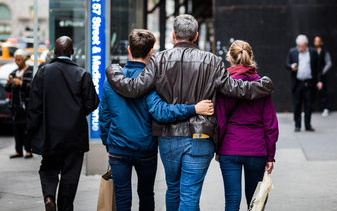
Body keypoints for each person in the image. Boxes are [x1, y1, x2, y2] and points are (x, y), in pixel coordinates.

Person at [106, 15, 274, 210]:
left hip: (168, 137)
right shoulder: (212, 61)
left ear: (173, 35)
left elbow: (134, 88)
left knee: (173, 189)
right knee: (190, 195)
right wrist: (265, 84)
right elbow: (236, 89)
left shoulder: (158, 59)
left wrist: (113, 71)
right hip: (200, 137)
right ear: (195, 36)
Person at [99, 29, 215, 211]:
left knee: (121, 198)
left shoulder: (111, 81)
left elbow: (104, 117)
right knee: (146, 195)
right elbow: (162, 112)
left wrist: (107, 144)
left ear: (129, 49)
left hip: (117, 148)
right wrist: (194, 108)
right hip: (145, 149)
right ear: (151, 52)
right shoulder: (151, 82)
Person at [27, 36, 100, 211]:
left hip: (49, 133)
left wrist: (31, 131)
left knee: (48, 167)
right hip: (74, 135)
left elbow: (34, 106)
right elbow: (92, 103)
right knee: (71, 174)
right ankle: (65, 208)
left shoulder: (43, 72)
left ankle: (49, 196)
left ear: (54, 52)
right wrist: (76, 113)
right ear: (72, 52)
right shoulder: (82, 74)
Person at [215, 40, 279, 210]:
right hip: (256, 150)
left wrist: (218, 147)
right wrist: (270, 155)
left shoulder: (224, 85)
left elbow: (220, 121)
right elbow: (270, 123)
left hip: (229, 148)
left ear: (230, 57)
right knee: (255, 203)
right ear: (251, 57)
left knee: (231, 202)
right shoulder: (262, 86)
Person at [285, 34, 322, 132]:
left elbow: (318, 68)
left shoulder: (313, 52)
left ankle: (308, 124)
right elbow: (287, 64)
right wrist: (291, 66)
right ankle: (297, 125)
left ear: (306, 44)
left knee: (308, 104)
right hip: (297, 83)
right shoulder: (292, 52)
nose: (300, 48)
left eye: (302, 46)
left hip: (309, 83)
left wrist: (319, 81)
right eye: (299, 46)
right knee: (297, 104)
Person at [5, 49, 33, 159]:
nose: (17, 62)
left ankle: (28, 150)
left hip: (26, 105)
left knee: (26, 128)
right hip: (15, 105)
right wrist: (9, 83)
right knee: (16, 128)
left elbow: (32, 87)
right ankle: (18, 150)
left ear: (24, 59)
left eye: (19, 60)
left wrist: (21, 83)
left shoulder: (30, 71)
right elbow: (7, 89)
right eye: (16, 60)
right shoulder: (13, 72)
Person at [314, 36, 332, 116]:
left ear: (321, 43)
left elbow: (329, 63)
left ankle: (326, 108)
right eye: (315, 41)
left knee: (323, 92)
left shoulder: (324, 52)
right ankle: (310, 109)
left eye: (318, 41)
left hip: (321, 75)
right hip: (313, 75)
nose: (316, 42)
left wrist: (323, 72)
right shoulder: (312, 51)